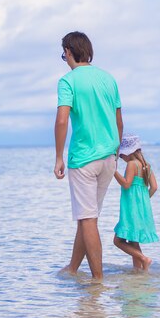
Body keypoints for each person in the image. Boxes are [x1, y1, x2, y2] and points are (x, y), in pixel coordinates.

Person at [54, 31, 123, 281]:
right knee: (88, 218)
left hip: (83, 158)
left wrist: (59, 157)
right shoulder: (108, 79)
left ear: (70, 52)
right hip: (108, 157)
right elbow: (118, 121)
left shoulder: (68, 81)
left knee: (87, 219)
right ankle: (73, 268)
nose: (65, 58)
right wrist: (115, 153)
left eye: (64, 54)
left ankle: (97, 281)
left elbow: (62, 120)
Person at [113, 134, 158, 271]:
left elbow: (126, 184)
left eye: (121, 155)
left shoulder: (132, 164)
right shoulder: (146, 166)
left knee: (118, 241)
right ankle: (138, 270)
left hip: (130, 209)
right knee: (133, 240)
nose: (121, 158)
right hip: (141, 209)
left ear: (129, 152)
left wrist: (113, 172)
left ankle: (145, 259)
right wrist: (143, 202)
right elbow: (154, 187)